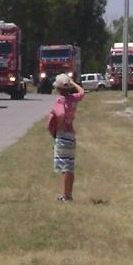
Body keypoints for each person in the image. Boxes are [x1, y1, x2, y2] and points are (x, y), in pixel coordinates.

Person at [47, 73, 85, 202]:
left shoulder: (60, 100)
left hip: (63, 135)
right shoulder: (73, 98)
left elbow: (61, 114)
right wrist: (73, 82)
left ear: (58, 89)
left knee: (65, 167)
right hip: (71, 134)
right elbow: (82, 92)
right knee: (69, 165)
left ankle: (66, 195)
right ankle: (68, 194)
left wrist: (61, 126)